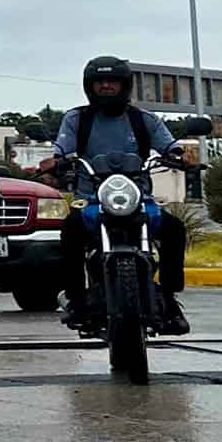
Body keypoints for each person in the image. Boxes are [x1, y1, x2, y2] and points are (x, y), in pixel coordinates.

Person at [31, 55, 190, 337]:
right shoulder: (77, 118)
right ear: (89, 87)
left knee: (175, 230)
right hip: (90, 199)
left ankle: (169, 298)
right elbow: (63, 148)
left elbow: (169, 145)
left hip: (138, 198)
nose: (106, 86)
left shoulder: (144, 120)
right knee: (70, 232)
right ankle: (77, 299)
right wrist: (56, 160)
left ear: (124, 85)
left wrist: (178, 155)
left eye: (112, 81)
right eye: (100, 82)